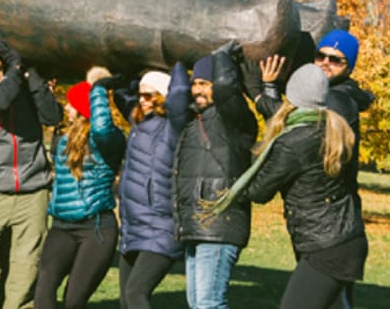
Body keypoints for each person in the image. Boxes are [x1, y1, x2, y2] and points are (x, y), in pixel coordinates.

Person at [207, 64, 367, 309]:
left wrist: (241, 161)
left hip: (324, 245)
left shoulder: (293, 141)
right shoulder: (335, 128)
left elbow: (259, 192)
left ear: (293, 96)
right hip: (344, 238)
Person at [256, 29, 373, 309]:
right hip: (325, 230)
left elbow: (299, 132)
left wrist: (265, 93)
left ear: (349, 67)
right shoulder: (329, 98)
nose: (325, 63)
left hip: (331, 235)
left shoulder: (339, 101)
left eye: (336, 60)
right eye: (321, 56)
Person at [0, 38, 62, 309]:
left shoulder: (22, 83)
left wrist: (32, 76)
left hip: (33, 190)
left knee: (26, 268)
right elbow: (0, 103)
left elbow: (52, 117)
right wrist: (16, 67)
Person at [171, 47, 258, 309]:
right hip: (197, 227)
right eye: (195, 83)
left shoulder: (233, 121)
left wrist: (221, 56)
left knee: (209, 303)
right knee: (197, 303)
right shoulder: (193, 122)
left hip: (219, 227)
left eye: (205, 83)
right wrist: (176, 57)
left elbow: (227, 89)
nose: (197, 90)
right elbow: (175, 96)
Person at [34, 72, 126, 309]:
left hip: (96, 228)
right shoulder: (63, 140)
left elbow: (101, 128)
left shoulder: (108, 140)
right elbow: (49, 114)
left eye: (71, 103)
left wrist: (99, 89)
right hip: (62, 226)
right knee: (43, 289)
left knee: (74, 300)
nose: (66, 107)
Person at [111, 68, 189, 309]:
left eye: (148, 95)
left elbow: (180, 94)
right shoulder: (138, 122)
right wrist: (131, 68)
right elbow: (121, 94)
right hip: (133, 227)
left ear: (163, 96)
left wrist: (176, 61)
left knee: (136, 294)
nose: (142, 100)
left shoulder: (173, 126)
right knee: (126, 301)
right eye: (140, 95)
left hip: (161, 227)